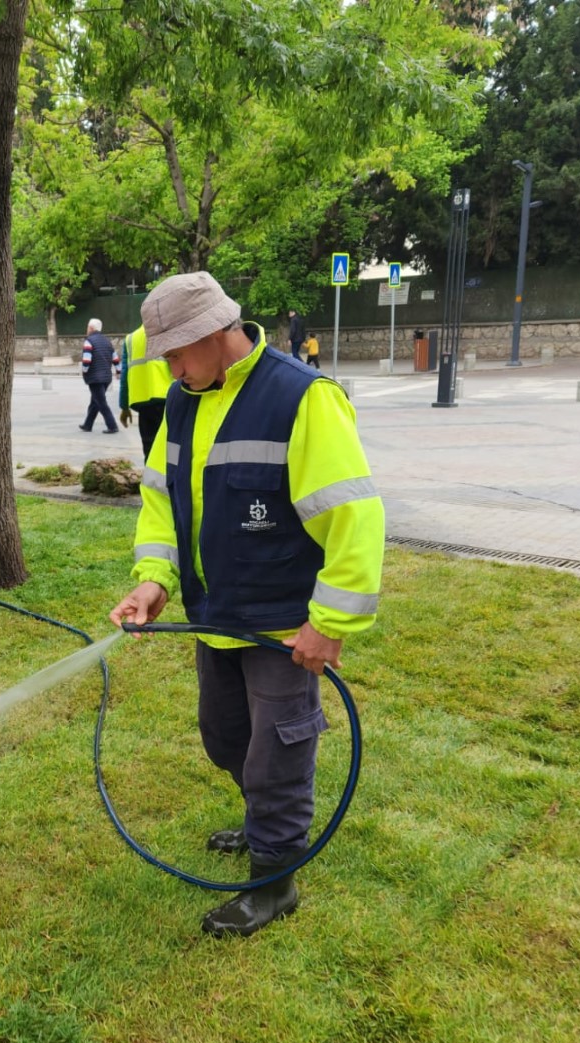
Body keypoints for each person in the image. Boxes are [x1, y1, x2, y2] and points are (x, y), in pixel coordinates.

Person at [108, 272, 385, 938]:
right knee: (226, 738)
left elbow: (355, 516)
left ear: (214, 334)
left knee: (277, 755)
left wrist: (330, 623)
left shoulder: (303, 398)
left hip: (285, 627)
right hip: (216, 618)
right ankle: (266, 820)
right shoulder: (182, 401)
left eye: (175, 353)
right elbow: (160, 503)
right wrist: (154, 579)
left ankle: (274, 884)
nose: (170, 369)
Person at [117, 323, 173, 462]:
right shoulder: (168, 334)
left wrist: (124, 406)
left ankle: (151, 482)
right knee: (172, 449)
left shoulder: (131, 338)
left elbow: (125, 375)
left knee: (150, 451)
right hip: (169, 400)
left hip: (143, 404)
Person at [78, 318, 120, 434]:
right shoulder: (107, 341)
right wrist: (118, 370)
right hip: (106, 378)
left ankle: (112, 426)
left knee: (101, 402)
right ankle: (88, 424)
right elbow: (115, 357)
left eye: (87, 327)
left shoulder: (89, 341)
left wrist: (85, 371)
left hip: (95, 378)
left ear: (91, 328)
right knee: (95, 401)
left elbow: (86, 360)